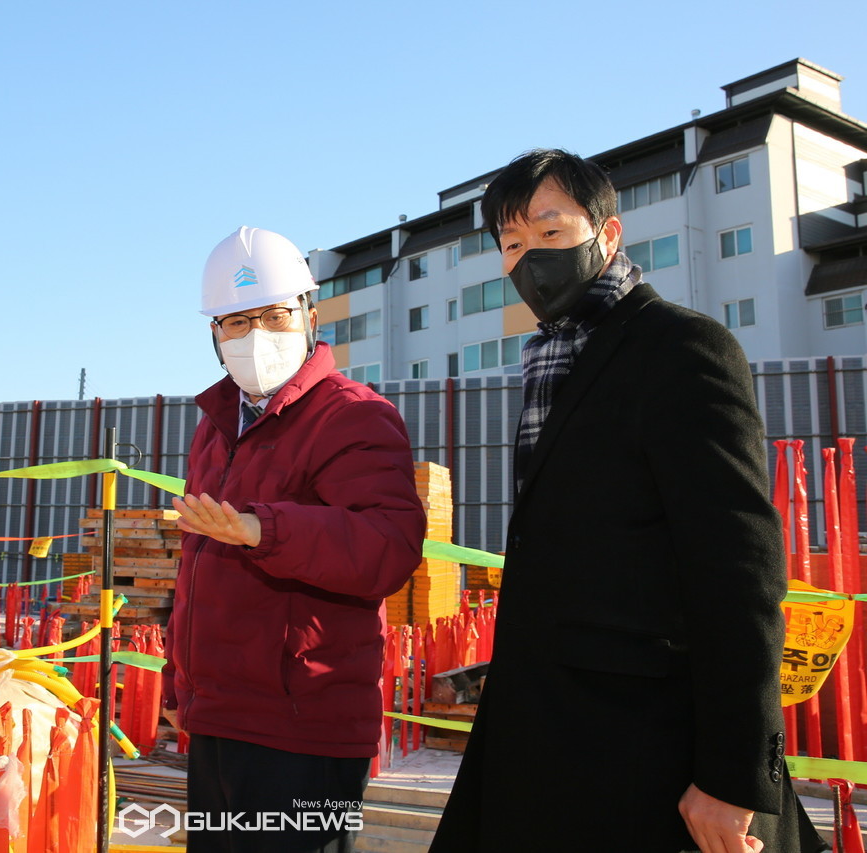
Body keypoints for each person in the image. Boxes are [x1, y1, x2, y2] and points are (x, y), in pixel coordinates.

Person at [429, 149, 826, 853]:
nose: (530, 258)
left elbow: (738, 570)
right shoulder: (553, 358)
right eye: (512, 244)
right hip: (545, 737)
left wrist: (733, 775)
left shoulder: (681, 349)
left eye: (551, 232)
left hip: (643, 748)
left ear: (608, 234)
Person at [163, 226, 426, 852]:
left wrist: (266, 529)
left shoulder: (353, 415)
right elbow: (196, 572)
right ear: (214, 333)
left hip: (304, 728)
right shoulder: (216, 427)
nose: (256, 335)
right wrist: (178, 685)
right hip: (218, 719)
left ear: (310, 314)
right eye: (236, 321)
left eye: (275, 315)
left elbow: (388, 544)